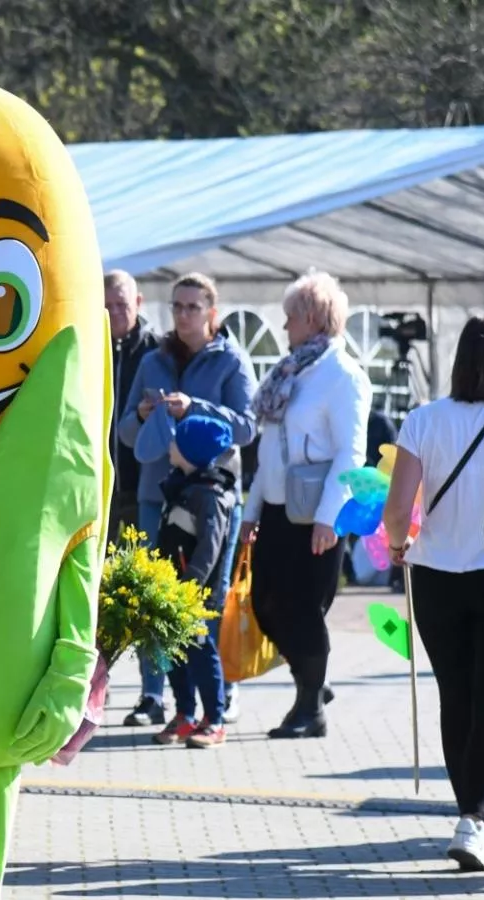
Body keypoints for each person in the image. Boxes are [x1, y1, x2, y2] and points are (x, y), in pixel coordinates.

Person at [383, 317, 484, 872]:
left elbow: (398, 512)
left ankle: (468, 816)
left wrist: (401, 545)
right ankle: (475, 822)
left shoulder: (422, 419)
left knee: (454, 696)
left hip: (436, 574)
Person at [117, 272, 256, 734]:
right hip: (156, 494)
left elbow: (247, 426)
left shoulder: (231, 361)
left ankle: (214, 704)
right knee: (156, 603)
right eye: (176, 306)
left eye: (192, 307)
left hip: (211, 499)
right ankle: (162, 699)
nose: (182, 315)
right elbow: (125, 433)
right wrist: (139, 414)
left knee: (200, 602)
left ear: (212, 313)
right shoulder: (155, 360)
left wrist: (193, 407)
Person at [241, 270, 371, 739]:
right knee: (265, 604)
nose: (283, 327)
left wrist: (329, 517)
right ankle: (316, 680)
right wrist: (251, 510)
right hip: (278, 508)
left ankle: (309, 706)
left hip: (317, 512)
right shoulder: (290, 370)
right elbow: (268, 449)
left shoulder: (343, 375)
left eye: (289, 317)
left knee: (301, 609)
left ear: (313, 318)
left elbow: (349, 453)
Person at [155, 413, 239, 748]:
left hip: (195, 590)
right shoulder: (182, 485)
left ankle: (214, 719)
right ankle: (185, 714)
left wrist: (190, 585)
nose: (170, 445)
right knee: (172, 650)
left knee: (201, 652)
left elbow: (210, 547)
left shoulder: (209, 495)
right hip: (173, 586)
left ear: (190, 450)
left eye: (177, 440)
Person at [104, 270, 160, 541]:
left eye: (122, 304)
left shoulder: (157, 352)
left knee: (143, 568)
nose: (115, 312)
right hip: (101, 486)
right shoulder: (90, 350)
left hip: (144, 484)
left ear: (138, 302)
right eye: (107, 306)